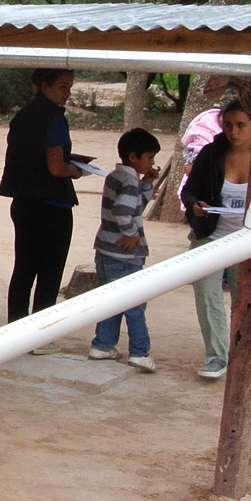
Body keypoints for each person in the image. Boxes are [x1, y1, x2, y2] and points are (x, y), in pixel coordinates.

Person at [0, 68, 83, 354]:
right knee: (49, 272)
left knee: (23, 268)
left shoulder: (22, 117)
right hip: (53, 204)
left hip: (23, 202)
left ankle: (15, 331)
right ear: (44, 86)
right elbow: (56, 167)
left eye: (69, 87)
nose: (66, 93)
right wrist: (75, 169)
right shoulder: (55, 119)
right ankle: (40, 336)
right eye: (62, 86)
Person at [181, 100, 251, 379]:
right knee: (207, 294)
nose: (234, 132)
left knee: (245, 298)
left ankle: (244, 352)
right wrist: (195, 205)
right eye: (228, 125)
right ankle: (216, 356)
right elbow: (188, 192)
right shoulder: (212, 153)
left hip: (248, 237)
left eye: (241, 125)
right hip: (211, 232)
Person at [88, 128, 161, 372]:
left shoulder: (116, 177)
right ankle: (140, 352)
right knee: (134, 304)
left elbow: (136, 203)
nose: (152, 162)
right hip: (124, 255)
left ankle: (103, 344)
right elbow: (124, 210)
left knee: (109, 300)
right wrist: (131, 234)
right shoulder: (129, 182)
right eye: (149, 157)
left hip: (106, 249)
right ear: (133, 157)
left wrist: (147, 183)